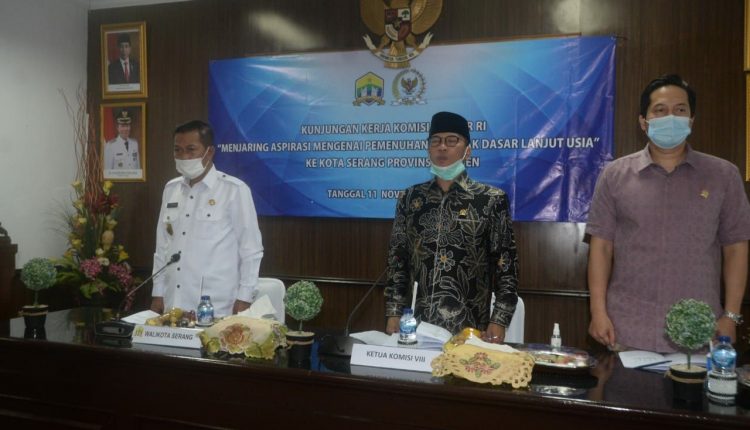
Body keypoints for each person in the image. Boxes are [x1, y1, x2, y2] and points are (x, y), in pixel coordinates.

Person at [586, 74, 750, 353]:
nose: (670, 117)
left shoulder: (723, 175)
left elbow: (736, 248)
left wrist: (731, 316)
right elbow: (601, 248)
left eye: (680, 110)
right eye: (660, 110)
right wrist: (598, 312)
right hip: (626, 329)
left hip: (700, 332)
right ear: (643, 122)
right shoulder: (614, 175)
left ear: (691, 120)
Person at [384, 111, 519, 339]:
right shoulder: (410, 199)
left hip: (470, 328)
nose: (442, 147)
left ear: (468, 150)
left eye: (451, 140)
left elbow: (506, 266)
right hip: (414, 327)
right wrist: (394, 311)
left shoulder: (490, 200)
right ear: (428, 148)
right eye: (435, 141)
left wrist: (499, 319)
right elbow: (398, 259)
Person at [150, 120, 264, 317]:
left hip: (216, 305)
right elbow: (162, 246)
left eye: (191, 150)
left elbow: (251, 249)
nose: (183, 157)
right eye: (177, 150)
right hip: (173, 303)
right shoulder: (171, 189)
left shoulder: (233, 190)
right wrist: (158, 293)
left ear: (209, 152)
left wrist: (245, 298)